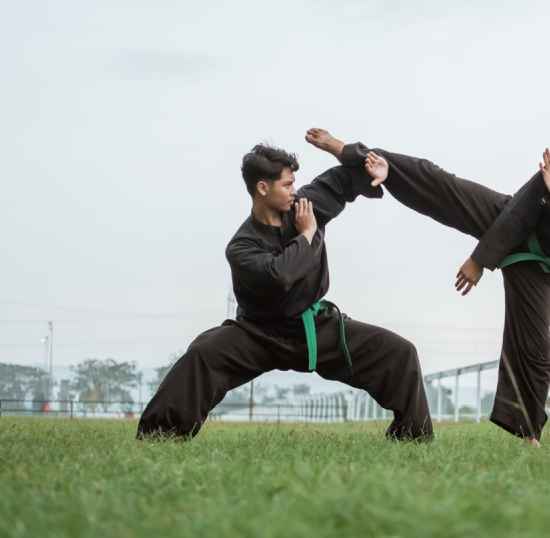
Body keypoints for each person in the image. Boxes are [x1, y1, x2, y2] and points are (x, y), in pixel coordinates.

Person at [305, 111, 550, 445]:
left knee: (536, 348)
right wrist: (481, 258)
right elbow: (523, 206)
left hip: (538, 263)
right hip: (508, 219)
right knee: (442, 182)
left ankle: (529, 435)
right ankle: (371, 161)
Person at [137, 142, 433, 441]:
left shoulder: (307, 204)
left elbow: (348, 176)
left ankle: (413, 438)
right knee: (201, 354)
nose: (295, 190)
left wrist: (338, 147)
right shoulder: (241, 247)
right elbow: (280, 275)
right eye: (287, 184)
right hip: (260, 332)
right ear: (263, 188)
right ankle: (159, 437)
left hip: (317, 327)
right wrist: (306, 234)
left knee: (400, 352)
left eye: (294, 183)